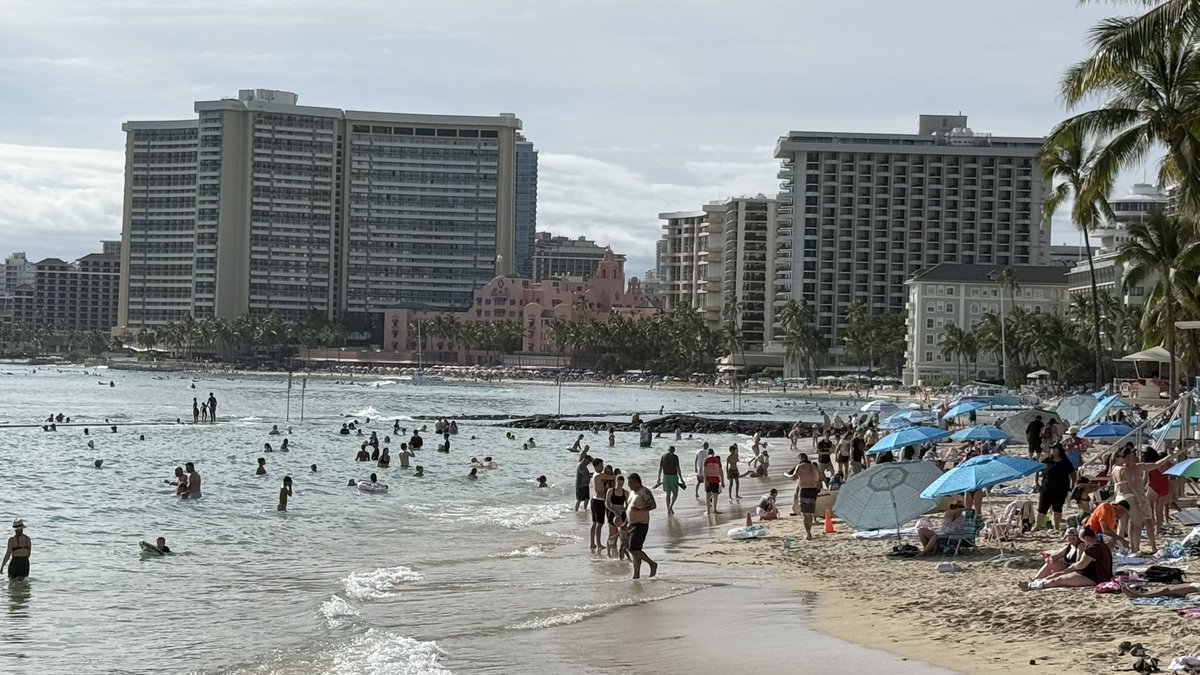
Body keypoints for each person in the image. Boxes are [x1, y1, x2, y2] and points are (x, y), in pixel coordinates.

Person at [1111, 444, 1185, 553]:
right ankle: (1134, 548)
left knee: (1135, 523)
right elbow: (1132, 486)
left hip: (1130, 496)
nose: (1133, 458)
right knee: (1136, 523)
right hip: (1134, 497)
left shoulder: (1133, 467)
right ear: (1126, 457)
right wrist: (1139, 498)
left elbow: (1156, 464)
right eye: (1130, 456)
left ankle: (1137, 547)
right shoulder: (1124, 469)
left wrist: (1170, 456)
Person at [1019, 527, 1112, 590]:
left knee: (1058, 579)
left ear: (1086, 538)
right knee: (1058, 577)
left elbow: (1080, 565)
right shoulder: (1101, 545)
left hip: (1093, 577)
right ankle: (1036, 582)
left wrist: (1065, 571)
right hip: (1097, 574)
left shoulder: (1093, 548)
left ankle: (1033, 585)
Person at [1037, 443, 1077, 530]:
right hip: (1046, 488)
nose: (1052, 450)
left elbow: (1073, 474)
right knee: (1042, 508)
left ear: (1059, 450)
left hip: (1061, 488)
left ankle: (1057, 527)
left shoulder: (1065, 462)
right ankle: (1037, 526)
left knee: (1058, 508)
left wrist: (1072, 485)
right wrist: (1036, 482)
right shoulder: (1047, 461)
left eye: (1054, 449)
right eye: (1051, 449)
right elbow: (1037, 469)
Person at [625, 473, 658, 579]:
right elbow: (628, 508)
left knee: (633, 549)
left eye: (630, 483)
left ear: (637, 482)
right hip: (631, 524)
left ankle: (652, 563)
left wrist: (640, 509)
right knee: (635, 551)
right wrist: (625, 522)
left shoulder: (644, 491)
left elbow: (653, 505)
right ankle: (636, 575)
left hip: (641, 524)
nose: (629, 485)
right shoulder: (632, 493)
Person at [791, 453, 823, 540]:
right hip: (813, 490)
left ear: (800, 458)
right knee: (810, 513)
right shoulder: (813, 466)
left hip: (804, 490)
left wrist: (786, 475)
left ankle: (808, 534)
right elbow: (822, 477)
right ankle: (809, 532)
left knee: (804, 514)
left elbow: (794, 477)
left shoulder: (800, 466)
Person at [590, 460, 614, 550]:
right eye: (600, 466)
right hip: (599, 501)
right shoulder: (599, 475)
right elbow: (612, 477)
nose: (602, 467)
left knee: (594, 523)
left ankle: (592, 542)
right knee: (599, 524)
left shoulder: (594, 475)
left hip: (594, 500)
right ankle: (599, 543)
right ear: (595, 467)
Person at [605, 475, 629, 557]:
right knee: (611, 534)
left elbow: (628, 505)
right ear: (616, 482)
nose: (620, 484)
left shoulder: (625, 492)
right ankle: (608, 553)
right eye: (619, 482)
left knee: (621, 535)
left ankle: (621, 553)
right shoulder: (611, 491)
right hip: (612, 513)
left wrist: (622, 510)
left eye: (622, 483)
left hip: (621, 514)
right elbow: (607, 503)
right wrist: (614, 511)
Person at [656, 446, 682, 515]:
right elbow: (677, 468)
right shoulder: (675, 457)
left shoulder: (663, 456)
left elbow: (660, 468)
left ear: (668, 450)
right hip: (673, 476)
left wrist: (658, 478)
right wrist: (681, 478)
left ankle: (668, 509)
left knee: (668, 494)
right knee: (675, 493)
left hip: (665, 476)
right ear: (674, 451)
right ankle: (670, 507)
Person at [702, 449, 725, 514]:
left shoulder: (706, 460)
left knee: (708, 495)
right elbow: (721, 471)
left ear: (708, 453)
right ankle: (714, 509)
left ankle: (708, 511)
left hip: (708, 479)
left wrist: (705, 481)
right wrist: (722, 481)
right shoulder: (717, 460)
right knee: (715, 494)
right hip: (716, 479)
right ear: (713, 453)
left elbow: (705, 472)